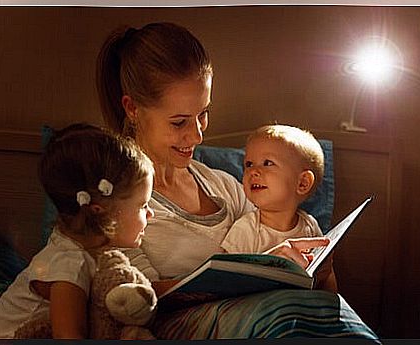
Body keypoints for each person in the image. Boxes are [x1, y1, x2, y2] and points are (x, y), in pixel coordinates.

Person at [96, 22, 379, 341]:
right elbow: (129, 298)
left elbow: (270, 246)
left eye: (203, 113)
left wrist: (315, 268)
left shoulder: (227, 186)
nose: (198, 134)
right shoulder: (116, 203)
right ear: (132, 108)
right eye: (179, 122)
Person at [0, 123, 156, 339]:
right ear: (100, 212)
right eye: (143, 206)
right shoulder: (70, 264)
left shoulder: (79, 246)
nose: (151, 214)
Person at [221, 124, 337, 292]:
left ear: (303, 183)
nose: (253, 171)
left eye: (267, 163)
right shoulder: (246, 229)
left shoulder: (310, 227)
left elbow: (327, 276)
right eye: (248, 164)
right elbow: (224, 281)